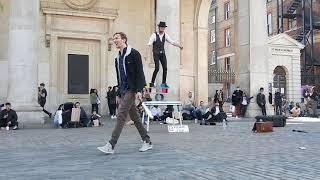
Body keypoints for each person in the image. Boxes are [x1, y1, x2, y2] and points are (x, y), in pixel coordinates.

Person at [97, 32, 152, 154]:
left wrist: (139, 90)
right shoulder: (117, 58)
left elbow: (140, 73)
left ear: (124, 39)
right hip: (123, 90)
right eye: (113, 39)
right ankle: (147, 141)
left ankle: (111, 144)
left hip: (132, 89)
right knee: (135, 118)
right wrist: (117, 92)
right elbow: (119, 77)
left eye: (117, 38)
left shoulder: (134, 53)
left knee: (121, 115)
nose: (114, 40)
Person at [147, 21, 183, 88]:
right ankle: (152, 82)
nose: (162, 29)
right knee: (157, 68)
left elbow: (172, 42)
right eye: (161, 27)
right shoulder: (154, 35)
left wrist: (179, 46)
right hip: (156, 53)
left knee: (165, 68)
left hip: (162, 53)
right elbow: (149, 44)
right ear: (159, 27)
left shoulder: (165, 35)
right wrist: (146, 55)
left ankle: (163, 83)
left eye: (163, 28)